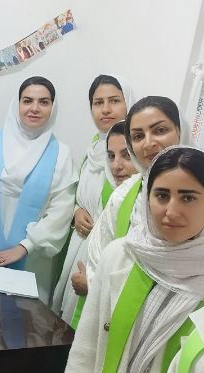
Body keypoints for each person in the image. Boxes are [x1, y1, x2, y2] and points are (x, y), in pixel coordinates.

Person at [65, 146, 204, 372]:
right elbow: (85, 348)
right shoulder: (120, 255)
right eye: (162, 195)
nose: (171, 211)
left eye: (188, 197)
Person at [0, 76, 77, 304]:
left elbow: (60, 212)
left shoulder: (61, 154)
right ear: (16, 104)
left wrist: (24, 247)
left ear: (53, 107)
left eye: (44, 102)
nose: (34, 108)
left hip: (33, 257)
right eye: (27, 101)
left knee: (27, 317)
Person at [83, 97, 184, 302]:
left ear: (180, 131)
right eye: (138, 136)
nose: (148, 143)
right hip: (116, 306)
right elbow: (98, 255)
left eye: (160, 130)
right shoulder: (124, 194)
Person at [51, 75, 134, 323]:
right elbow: (80, 194)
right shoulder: (95, 148)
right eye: (98, 103)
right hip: (79, 246)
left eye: (114, 101)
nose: (105, 109)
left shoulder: (135, 156)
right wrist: (76, 211)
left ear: (128, 103)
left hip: (106, 255)